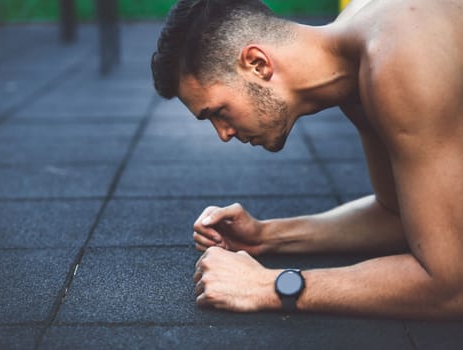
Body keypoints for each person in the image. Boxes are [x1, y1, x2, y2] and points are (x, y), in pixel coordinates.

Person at [150, 0, 463, 319]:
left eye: (218, 112)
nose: (224, 133)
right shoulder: (356, 56)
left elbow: (451, 286)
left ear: (258, 63)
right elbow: (396, 214)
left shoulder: (397, 58)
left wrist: (270, 286)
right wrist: (266, 237)